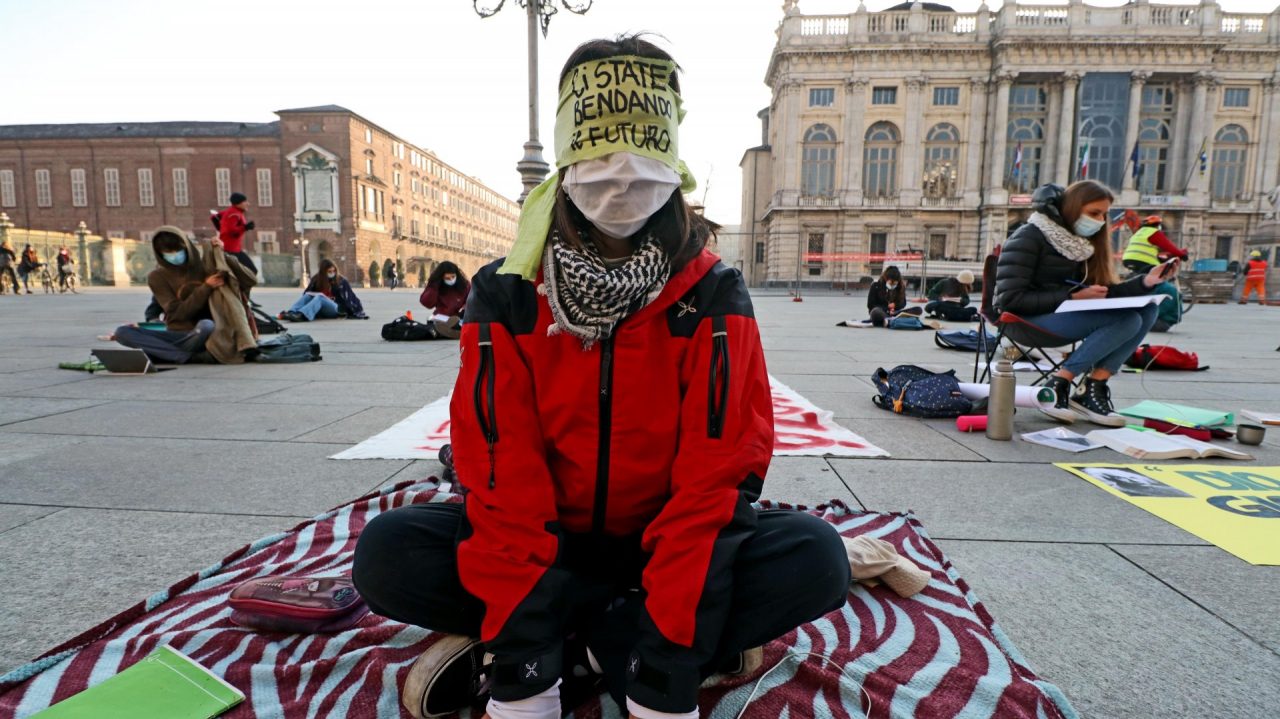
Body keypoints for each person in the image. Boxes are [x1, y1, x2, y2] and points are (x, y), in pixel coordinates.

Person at [352, 35, 851, 719]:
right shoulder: (508, 291)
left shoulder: (711, 292)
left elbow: (718, 479)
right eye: (599, 150)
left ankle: (604, 642)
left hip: (664, 550)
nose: (620, 173)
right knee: (387, 552)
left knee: (818, 558)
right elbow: (499, 476)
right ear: (567, 156)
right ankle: (594, 640)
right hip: (545, 544)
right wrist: (525, 666)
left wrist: (667, 664)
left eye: (642, 150)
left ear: (671, 154)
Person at [996, 182, 1171, 426]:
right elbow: (1009, 300)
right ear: (1072, 208)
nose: (1100, 221)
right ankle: (1059, 383)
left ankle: (1093, 386)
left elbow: (1102, 292)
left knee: (1148, 308)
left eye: (1103, 214)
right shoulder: (1028, 236)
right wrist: (1071, 296)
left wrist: (1146, 283)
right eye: (1093, 213)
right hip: (1023, 320)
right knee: (1127, 319)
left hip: (1066, 316)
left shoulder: (1083, 245)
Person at [111, 226, 257, 364]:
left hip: (208, 334)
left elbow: (248, 280)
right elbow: (177, 314)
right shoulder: (157, 277)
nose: (174, 255)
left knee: (206, 325)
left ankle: (165, 354)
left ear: (187, 247)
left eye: (178, 250)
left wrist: (221, 254)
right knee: (123, 332)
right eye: (168, 252)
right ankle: (187, 357)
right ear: (160, 254)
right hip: (179, 335)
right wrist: (206, 287)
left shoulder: (204, 267)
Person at [279, 259, 369, 321]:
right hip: (319, 309)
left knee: (319, 297)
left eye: (333, 271)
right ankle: (292, 312)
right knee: (308, 295)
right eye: (329, 272)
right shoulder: (316, 279)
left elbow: (350, 297)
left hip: (336, 308)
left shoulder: (341, 281)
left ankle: (302, 315)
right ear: (323, 272)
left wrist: (355, 311)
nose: (332, 273)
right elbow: (306, 294)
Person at [417, 261, 469, 339]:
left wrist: (465, 307)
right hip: (441, 318)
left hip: (459, 318)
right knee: (440, 325)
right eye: (447, 278)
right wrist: (434, 286)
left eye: (453, 277)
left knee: (456, 322)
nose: (451, 280)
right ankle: (457, 333)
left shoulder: (465, 285)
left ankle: (448, 332)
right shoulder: (436, 286)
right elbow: (427, 303)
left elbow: (473, 299)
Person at [1121, 215, 1187, 276]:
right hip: (1143, 261)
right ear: (1158, 226)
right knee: (1158, 275)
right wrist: (1182, 254)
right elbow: (1169, 247)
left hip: (1127, 259)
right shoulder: (1154, 232)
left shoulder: (1138, 233)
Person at [214, 192, 258, 277]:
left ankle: (237, 288)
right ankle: (239, 289)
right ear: (239, 203)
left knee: (241, 271)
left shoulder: (232, 211)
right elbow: (230, 230)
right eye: (245, 201)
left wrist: (220, 228)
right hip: (231, 250)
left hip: (232, 248)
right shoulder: (234, 214)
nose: (248, 204)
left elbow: (214, 217)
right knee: (252, 270)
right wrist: (245, 227)